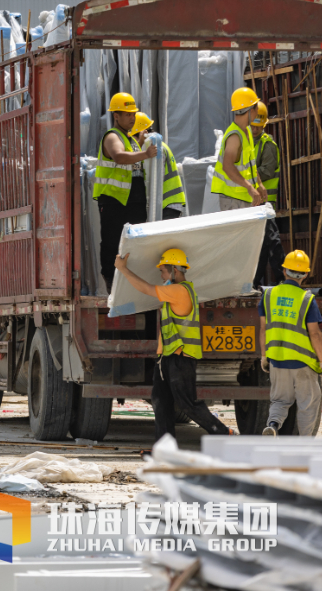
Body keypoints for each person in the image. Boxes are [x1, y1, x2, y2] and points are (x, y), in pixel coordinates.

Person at [114, 249, 235, 441]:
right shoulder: (176, 292)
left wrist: (123, 269)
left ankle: (223, 433)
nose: (161, 276)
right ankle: (164, 447)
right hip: (168, 357)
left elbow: (146, 289)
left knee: (188, 404)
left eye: (163, 271)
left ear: (175, 271)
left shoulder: (180, 291)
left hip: (181, 358)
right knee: (160, 400)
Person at [260, 250, 322, 436]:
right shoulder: (306, 299)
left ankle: (273, 425)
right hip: (303, 362)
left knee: (279, 401)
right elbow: (315, 334)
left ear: (284, 271)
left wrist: (263, 356)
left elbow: (262, 329)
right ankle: (305, 443)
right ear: (305, 275)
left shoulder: (268, 296)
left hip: (277, 359)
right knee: (308, 403)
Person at [94, 93, 158, 291]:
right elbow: (119, 157)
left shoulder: (131, 139)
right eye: (128, 114)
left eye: (134, 114)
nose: (132, 117)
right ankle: (112, 281)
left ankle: (132, 283)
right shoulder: (113, 136)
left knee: (135, 244)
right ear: (116, 116)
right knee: (113, 244)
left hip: (133, 201)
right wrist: (145, 154)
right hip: (114, 201)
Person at [212, 87, 266, 211]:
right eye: (256, 108)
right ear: (249, 110)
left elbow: (250, 165)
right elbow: (227, 166)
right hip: (232, 200)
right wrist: (249, 187)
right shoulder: (235, 136)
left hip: (242, 198)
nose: (257, 111)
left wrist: (259, 185)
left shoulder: (246, 131)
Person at [251, 103, 285, 287]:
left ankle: (283, 278)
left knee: (271, 240)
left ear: (264, 125)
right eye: (252, 125)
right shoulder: (248, 144)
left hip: (266, 202)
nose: (255, 129)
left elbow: (267, 171)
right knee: (262, 245)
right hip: (255, 202)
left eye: (258, 125)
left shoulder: (268, 145)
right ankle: (254, 282)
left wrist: (246, 173)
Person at [128, 112, 186, 220]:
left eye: (134, 137)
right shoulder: (160, 145)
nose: (134, 142)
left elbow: (151, 179)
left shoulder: (152, 147)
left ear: (142, 133)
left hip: (167, 203)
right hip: (170, 202)